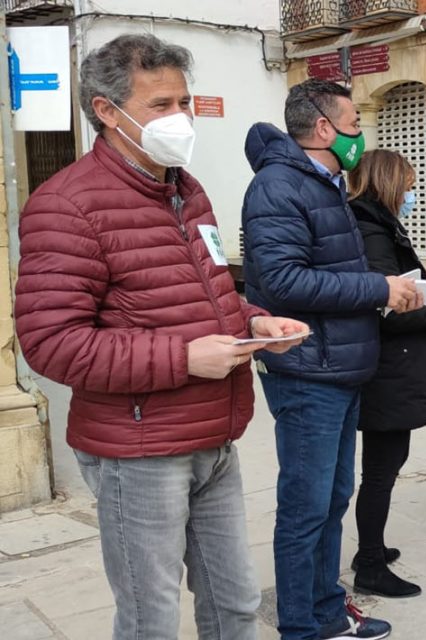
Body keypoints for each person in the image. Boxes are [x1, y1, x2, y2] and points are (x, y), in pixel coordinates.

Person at [14, 34, 308, 640]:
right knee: (151, 617)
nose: (179, 117)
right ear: (106, 110)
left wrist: (250, 320)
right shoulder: (65, 205)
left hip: (214, 434)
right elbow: (51, 343)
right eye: (160, 104)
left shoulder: (185, 188)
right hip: (138, 451)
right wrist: (182, 358)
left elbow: (201, 287)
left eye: (184, 102)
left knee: (235, 605)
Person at [242, 79, 422, 640]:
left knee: (333, 498)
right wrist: (377, 289)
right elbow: (281, 280)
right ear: (324, 126)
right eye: (354, 121)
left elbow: (329, 269)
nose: (359, 133)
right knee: (305, 507)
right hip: (306, 371)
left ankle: (326, 609)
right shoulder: (279, 187)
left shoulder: (325, 184)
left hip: (339, 368)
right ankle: (301, 626)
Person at [348, 149, 426, 598]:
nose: (413, 194)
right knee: (380, 469)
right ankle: (370, 565)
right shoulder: (371, 231)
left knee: (388, 463)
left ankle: (370, 548)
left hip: (389, 367)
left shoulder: (374, 224)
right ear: (389, 185)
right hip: (385, 371)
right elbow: (389, 311)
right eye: (410, 185)